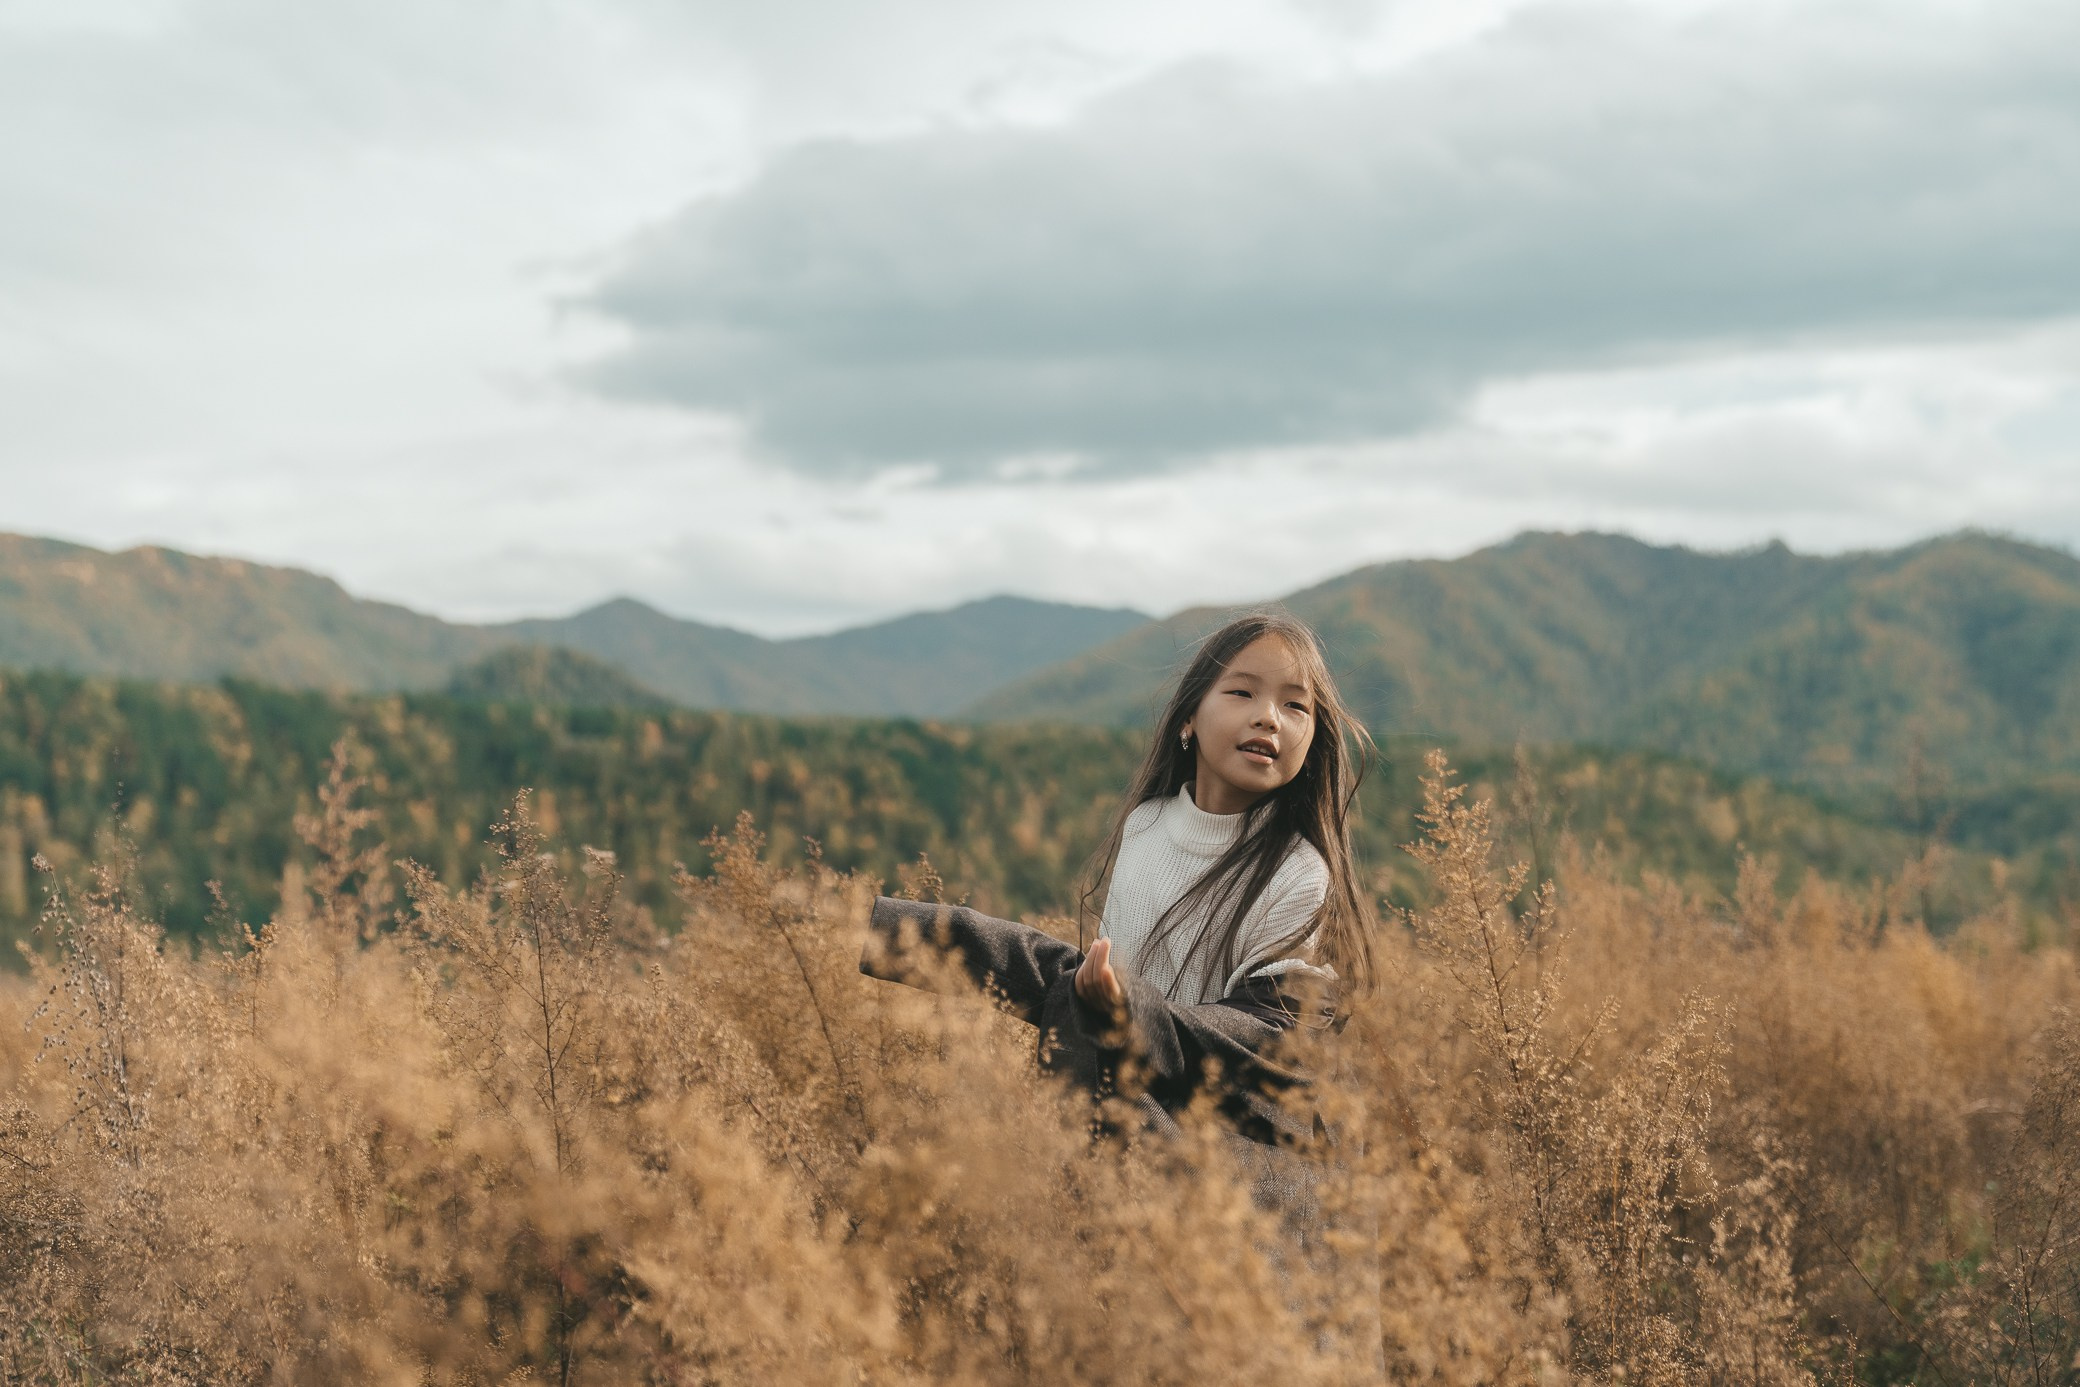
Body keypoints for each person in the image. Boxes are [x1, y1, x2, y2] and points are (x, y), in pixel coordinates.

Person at [858, 609, 1375, 1150]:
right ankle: (876, 929)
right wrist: (1108, 999)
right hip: (1137, 1109)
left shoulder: (1298, 869)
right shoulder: (1147, 825)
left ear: (1313, 739)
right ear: (1187, 719)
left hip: (1233, 1155)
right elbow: (1113, 977)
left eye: (1296, 705)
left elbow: (1273, 1040)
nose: (1269, 717)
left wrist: (1133, 1009)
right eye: (1243, 693)